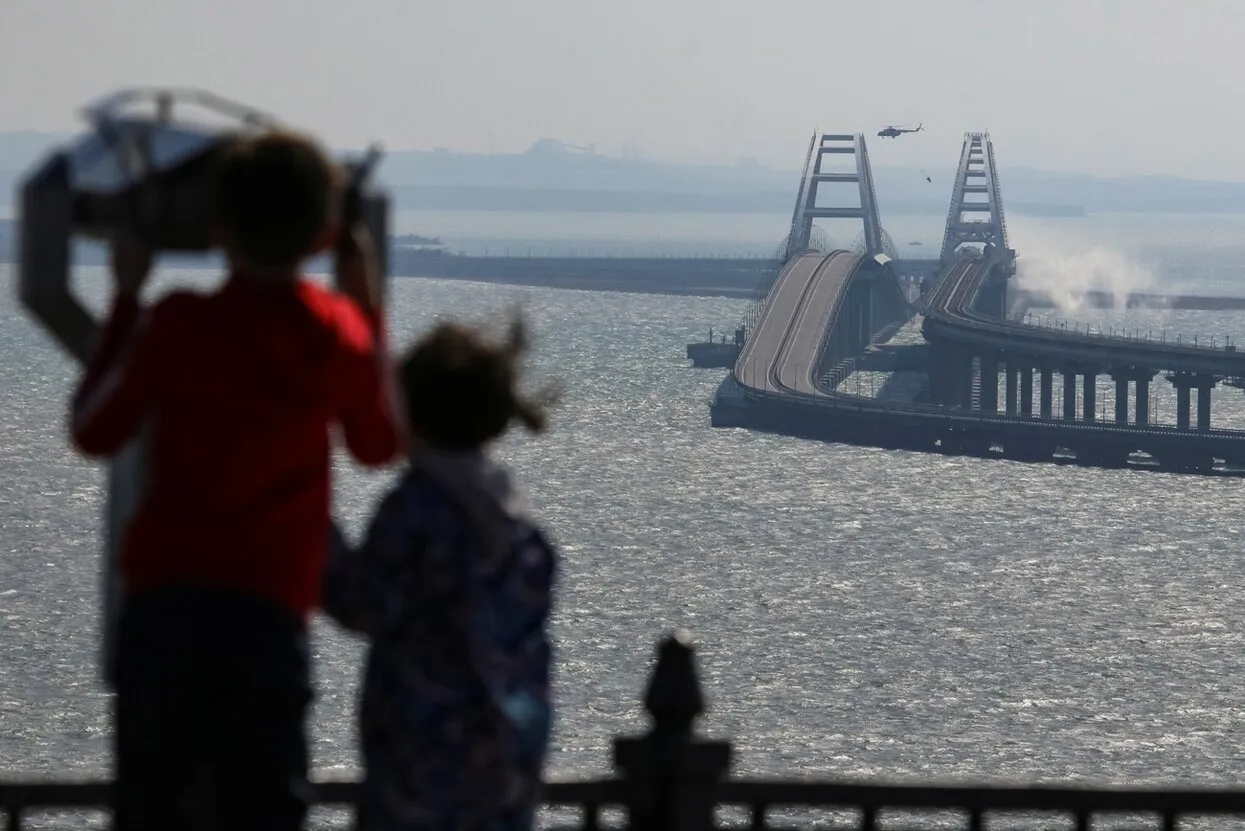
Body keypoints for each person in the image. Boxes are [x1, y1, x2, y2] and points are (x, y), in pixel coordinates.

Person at [68, 130, 402, 830]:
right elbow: (377, 442)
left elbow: (93, 428)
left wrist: (126, 299)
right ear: (322, 236)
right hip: (268, 621)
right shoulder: (335, 335)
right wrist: (367, 306)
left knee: (151, 810)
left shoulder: (176, 323)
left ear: (219, 229)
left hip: (165, 616)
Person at [322, 313, 558, 831]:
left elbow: (361, 602)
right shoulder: (520, 531)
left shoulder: (418, 512)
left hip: (420, 765)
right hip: (503, 769)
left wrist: (315, 525)